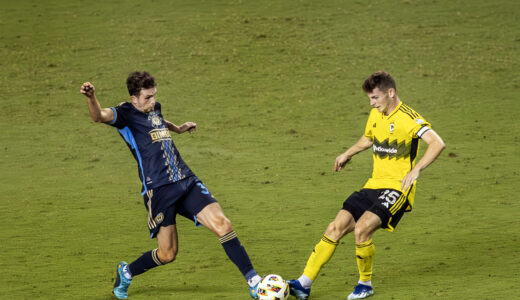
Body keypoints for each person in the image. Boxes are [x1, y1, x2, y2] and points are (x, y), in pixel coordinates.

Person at [80, 71, 262, 299]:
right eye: (147, 97)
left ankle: (255, 282)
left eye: (154, 95)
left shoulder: (154, 108)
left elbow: (157, 122)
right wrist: (91, 97)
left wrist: (177, 128)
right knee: (167, 254)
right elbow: (99, 116)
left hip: (185, 180)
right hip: (159, 190)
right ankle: (126, 271)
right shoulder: (124, 114)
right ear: (134, 98)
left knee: (223, 225)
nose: (153, 101)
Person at [288, 71, 446, 299]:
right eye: (370, 99)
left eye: (375, 98)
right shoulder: (375, 114)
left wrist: (416, 169)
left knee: (362, 229)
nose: (372, 103)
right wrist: (347, 154)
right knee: (335, 227)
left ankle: (365, 284)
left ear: (390, 93)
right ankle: (304, 283)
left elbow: (437, 143)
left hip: (397, 188)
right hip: (372, 185)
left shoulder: (409, 117)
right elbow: (369, 138)